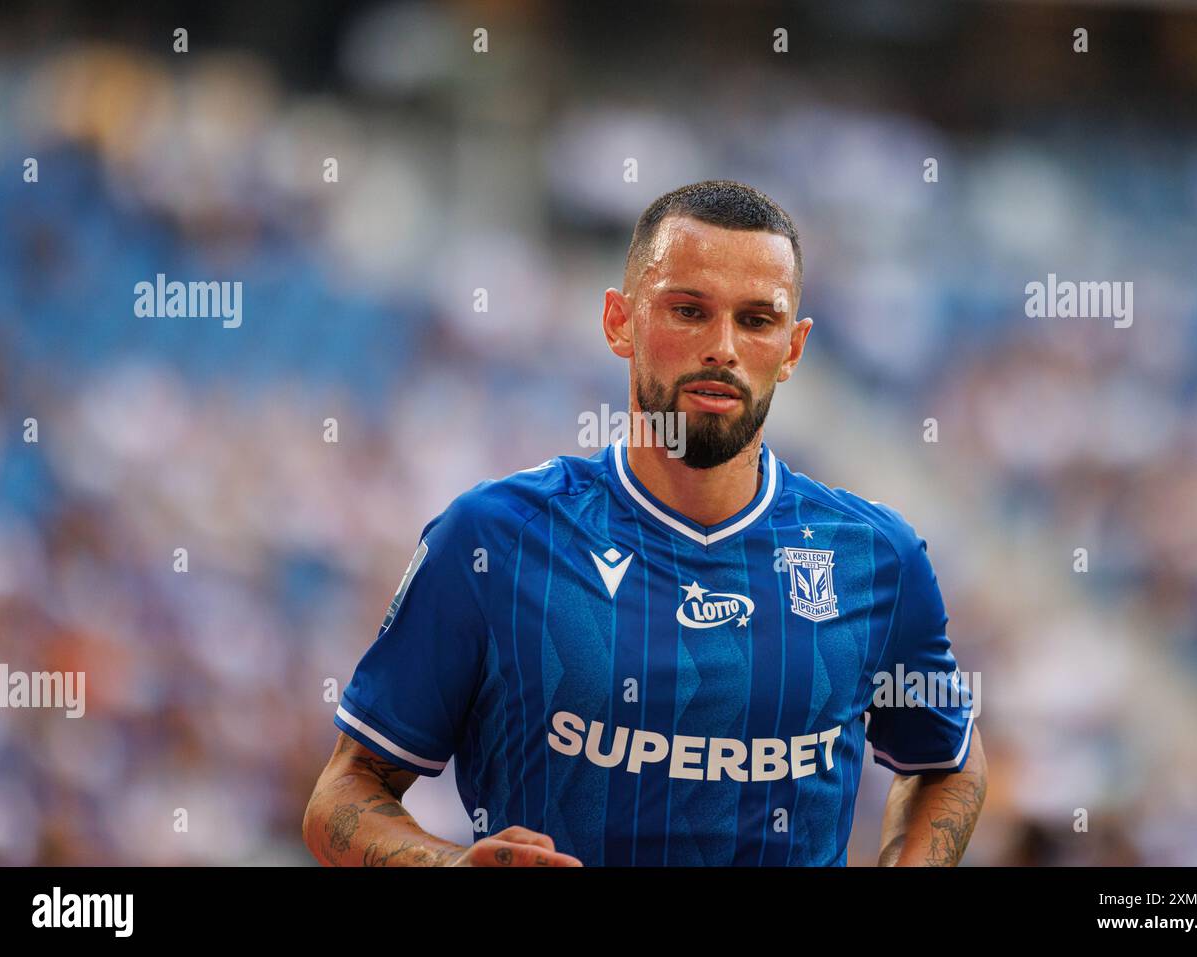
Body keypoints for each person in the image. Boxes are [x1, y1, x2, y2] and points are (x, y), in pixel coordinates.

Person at [303, 180, 986, 866]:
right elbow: (344, 791)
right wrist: (447, 864)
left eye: (756, 320)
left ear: (794, 346)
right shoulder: (493, 538)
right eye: (689, 310)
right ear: (619, 321)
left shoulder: (875, 557)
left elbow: (947, 759)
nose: (722, 346)